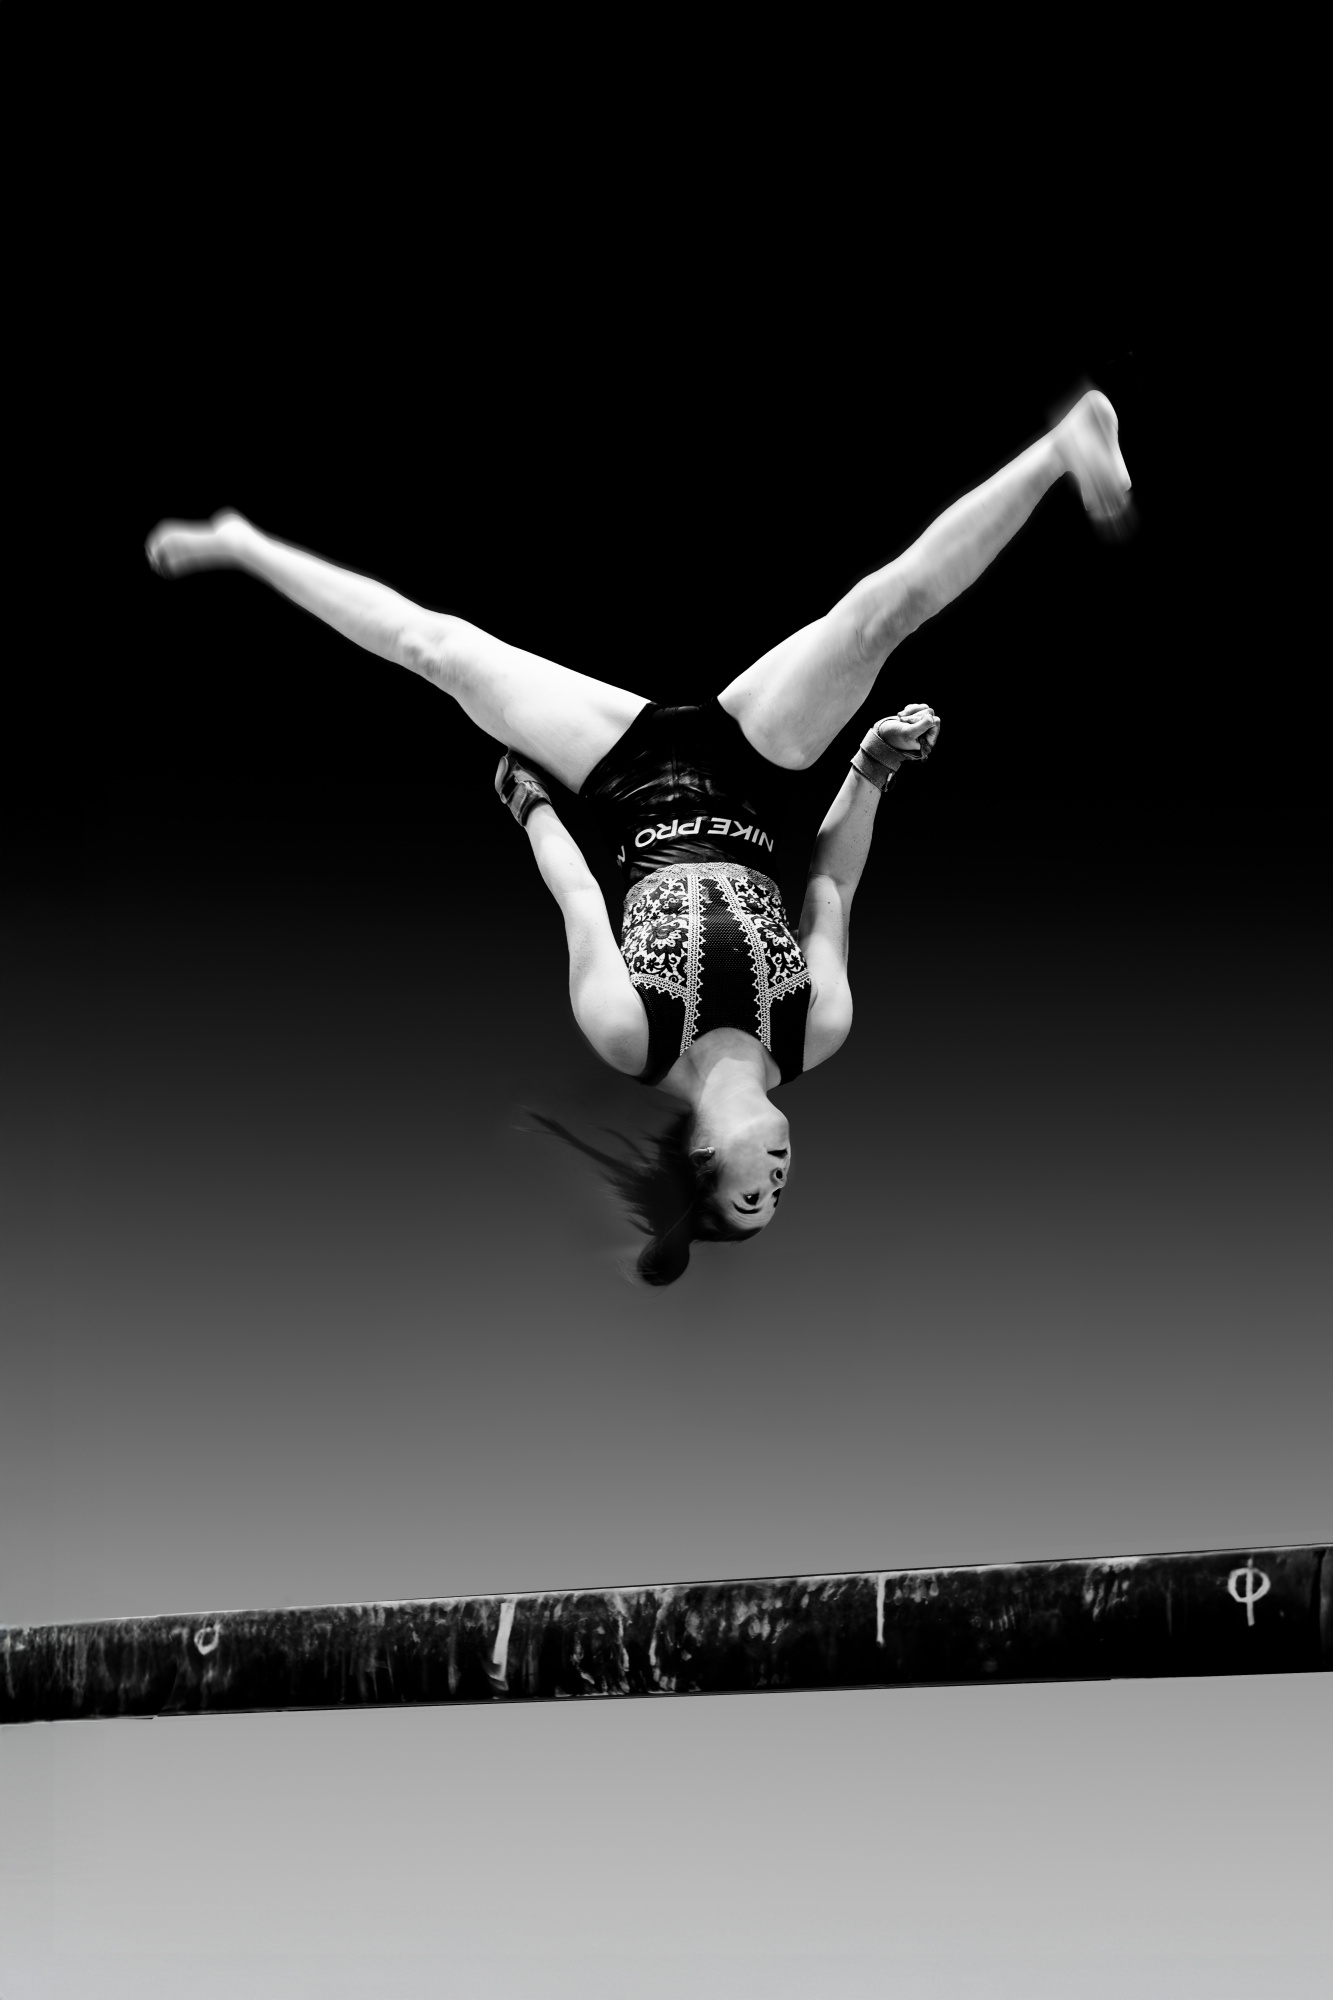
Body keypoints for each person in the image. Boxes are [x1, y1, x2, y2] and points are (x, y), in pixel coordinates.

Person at [146, 388, 1131, 1283]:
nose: (779, 1180)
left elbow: (578, 895)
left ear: (702, 1159)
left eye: (752, 1194)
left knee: (436, 650)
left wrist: (531, 804)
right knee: (879, 616)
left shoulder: (631, 1034)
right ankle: (1061, 447)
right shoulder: (815, 1028)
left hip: (624, 783)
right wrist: (871, 764)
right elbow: (831, 887)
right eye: (780, 1196)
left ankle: (242, 543)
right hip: (757, 767)